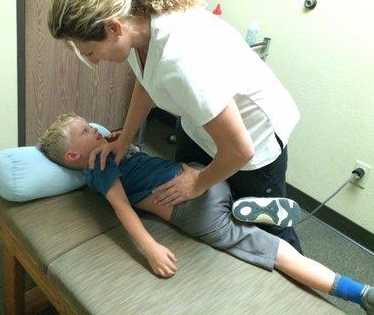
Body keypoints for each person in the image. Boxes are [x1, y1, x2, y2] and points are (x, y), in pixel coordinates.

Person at [47, 0, 303, 252]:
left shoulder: (181, 59)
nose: (93, 60)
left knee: (270, 234)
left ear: (112, 28)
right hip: (202, 125)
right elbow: (146, 82)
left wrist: (197, 183)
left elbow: (240, 149)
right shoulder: (137, 28)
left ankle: (303, 287)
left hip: (254, 140)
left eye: (90, 51)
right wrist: (124, 139)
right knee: (210, 206)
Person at [37, 113, 373, 313]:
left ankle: (359, 294)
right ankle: (246, 208)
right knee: (243, 219)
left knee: (273, 253)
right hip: (203, 179)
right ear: (73, 158)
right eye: (84, 132)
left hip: (195, 205)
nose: (93, 129)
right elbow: (122, 207)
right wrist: (149, 247)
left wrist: (117, 138)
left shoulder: (108, 148)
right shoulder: (97, 167)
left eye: (88, 125)